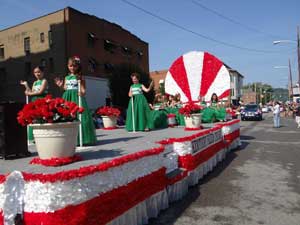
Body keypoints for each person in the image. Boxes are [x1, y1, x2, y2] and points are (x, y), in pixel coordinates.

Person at [55, 56, 96, 145]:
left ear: (78, 66)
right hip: (67, 97)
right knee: (66, 116)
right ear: (67, 66)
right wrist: (60, 86)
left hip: (77, 98)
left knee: (81, 117)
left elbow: (84, 90)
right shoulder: (66, 77)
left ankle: (82, 139)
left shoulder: (80, 77)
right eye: (70, 66)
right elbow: (65, 88)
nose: (72, 68)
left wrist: (82, 93)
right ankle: (68, 139)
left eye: (74, 66)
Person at [20, 66, 48, 141]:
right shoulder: (35, 82)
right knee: (34, 117)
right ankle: (34, 137)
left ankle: (44, 135)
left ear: (42, 72)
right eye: (35, 72)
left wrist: (29, 94)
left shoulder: (44, 81)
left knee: (42, 117)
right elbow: (31, 92)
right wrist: (26, 85)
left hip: (42, 100)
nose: (37, 74)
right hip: (34, 101)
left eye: (39, 72)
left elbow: (40, 92)